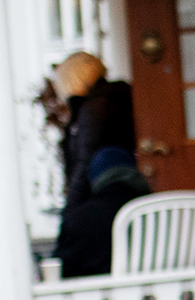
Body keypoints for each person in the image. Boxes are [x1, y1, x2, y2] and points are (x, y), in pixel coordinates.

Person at [51, 51, 136, 208]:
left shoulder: (94, 109)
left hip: (101, 197)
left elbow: (84, 161)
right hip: (121, 192)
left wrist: (71, 207)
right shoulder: (114, 98)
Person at [52, 147, 152, 279]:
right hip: (157, 289)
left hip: (97, 290)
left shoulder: (78, 218)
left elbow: (62, 268)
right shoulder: (154, 211)